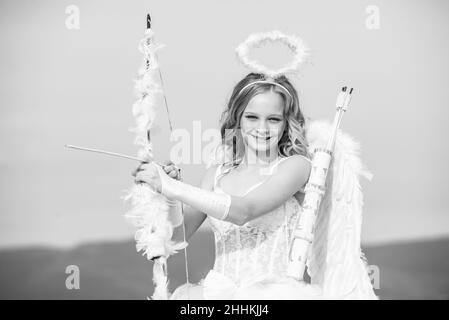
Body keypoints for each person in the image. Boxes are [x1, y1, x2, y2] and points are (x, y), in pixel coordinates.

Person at [132, 72, 327, 299]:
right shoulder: (216, 175)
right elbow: (174, 238)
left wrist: (175, 188)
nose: (262, 128)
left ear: (286, 124)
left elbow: (244, 211)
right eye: (252, 117)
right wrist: (169, 197)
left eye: (274, 119)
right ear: (238, 118)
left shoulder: (296, 167)